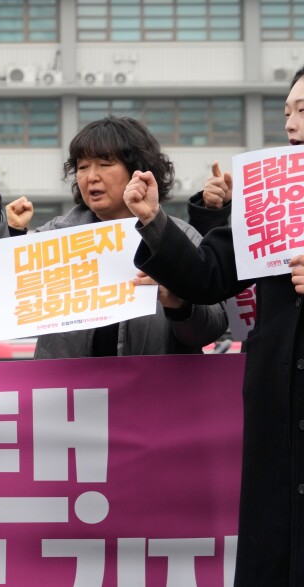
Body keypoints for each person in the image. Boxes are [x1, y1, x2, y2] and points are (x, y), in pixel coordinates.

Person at [124, 65, 304, 586]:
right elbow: (208, 276)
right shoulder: (269, 193)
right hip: (277, 404)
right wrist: (155, 220)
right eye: (287, 110)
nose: (291, 121)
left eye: (303, 110)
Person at [0, 116, 227, 357]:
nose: (91, 177)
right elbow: (2, 300)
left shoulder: (179, 238)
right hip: (71, 400)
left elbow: (209, 329)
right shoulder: (55, 239)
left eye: (105, 164)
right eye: (82, 167)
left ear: (138, 171)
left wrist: (178, 304)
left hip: (153, 398)